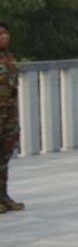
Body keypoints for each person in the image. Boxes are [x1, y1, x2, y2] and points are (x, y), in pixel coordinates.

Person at [0, 21, 21, 212]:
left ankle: (3, 195)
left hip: (9, 111)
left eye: (6, 33)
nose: (5, 37)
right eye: (1, 34)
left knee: (5, 154)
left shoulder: (8, 58)